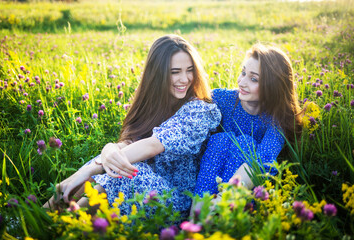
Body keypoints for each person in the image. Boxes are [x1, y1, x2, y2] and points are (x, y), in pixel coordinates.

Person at [44, 34, 221, 217]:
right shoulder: (153, 105)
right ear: (157, 73)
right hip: (141, 191)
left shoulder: (200, 110)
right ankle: (33, 220)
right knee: (115, 165)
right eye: (175, 72)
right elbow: (129, 142)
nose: (184, 79)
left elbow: (152, 144)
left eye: (189, 70)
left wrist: (93, 167)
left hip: (174, 203)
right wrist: (109, 150)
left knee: (125, 172)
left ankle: (62, 226)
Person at [194, 44, 302, 196]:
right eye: (243, 73)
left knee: (246, 144)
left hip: (244, 192)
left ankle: (220, 213)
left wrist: (222, 200)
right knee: (221, 139)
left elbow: (262, 162)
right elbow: (191, 107)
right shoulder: (223, 99)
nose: (242, 82)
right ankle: (197, 211)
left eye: (253, 79)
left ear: (272, 86)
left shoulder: (276, 119)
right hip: (212, 172)